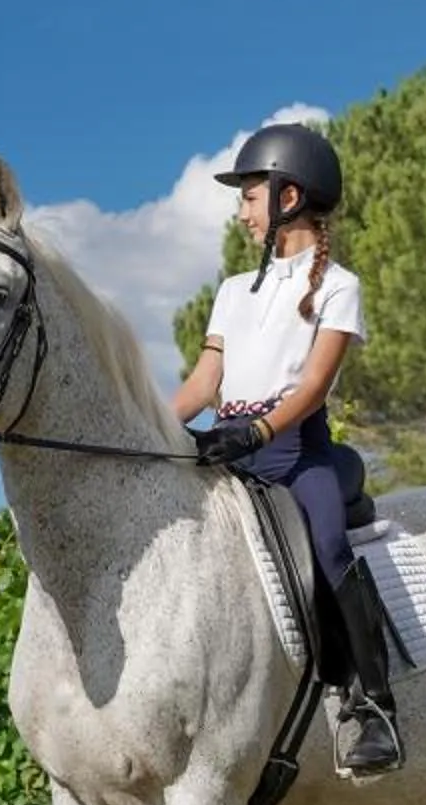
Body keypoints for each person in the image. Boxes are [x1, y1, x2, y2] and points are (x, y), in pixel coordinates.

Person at [171, 121, 404, 771]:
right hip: (229, 443)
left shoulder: (338, 287)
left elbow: (314, 382)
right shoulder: (231, 293)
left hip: (294, 450)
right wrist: (152, 427)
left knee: (328, 545)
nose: (242, 210)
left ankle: (372, 705)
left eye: (250, 196)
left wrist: (263, 429)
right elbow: (205, 382)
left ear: (289, 197)